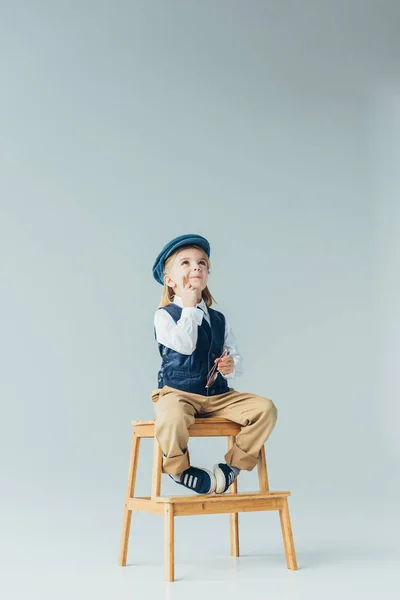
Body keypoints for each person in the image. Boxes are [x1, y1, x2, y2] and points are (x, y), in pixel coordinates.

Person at [151, 234, 277, 495]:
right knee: (171, 416)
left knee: (265, 409)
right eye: (185, 263)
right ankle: (178, 469)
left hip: (218, 396)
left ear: (207, 274)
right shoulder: (165, 316)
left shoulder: (219, 319)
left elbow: (235, 356)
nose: (196, 267)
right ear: (170, 280)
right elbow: (185, 345)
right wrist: (188, 306)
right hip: (179, 393)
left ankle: (233, 466)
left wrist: (231, 365)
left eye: (201, 263)